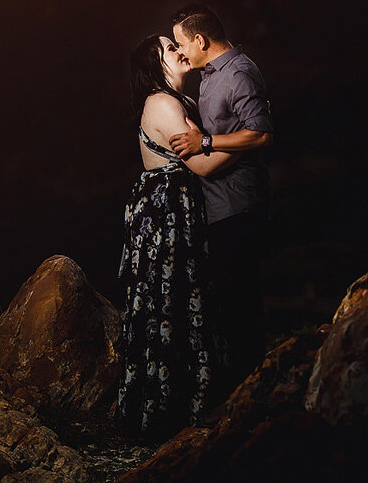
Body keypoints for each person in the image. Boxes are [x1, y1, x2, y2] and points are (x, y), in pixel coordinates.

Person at [117, 35, 234, 438]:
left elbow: (203, 149)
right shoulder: (163, 103)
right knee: (172, 298)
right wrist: (251, 139)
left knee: (183, 297)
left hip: (176, 208)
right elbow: (203, 165)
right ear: (156, 63)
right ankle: (170, 411)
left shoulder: (180, 102)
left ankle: (182, 403)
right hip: (165, 211)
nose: (180, 50)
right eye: (169, 48)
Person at [166, 4, 274, 383]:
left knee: (241, 303)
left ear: (200, 39)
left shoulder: (239, 73)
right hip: (217, 207)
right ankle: (241, 387)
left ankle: (253, 388)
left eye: (182, 43)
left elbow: (260, 133)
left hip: (239, 204)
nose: (180, 52)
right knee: (227, 302)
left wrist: (205, 142)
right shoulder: (209, 75)